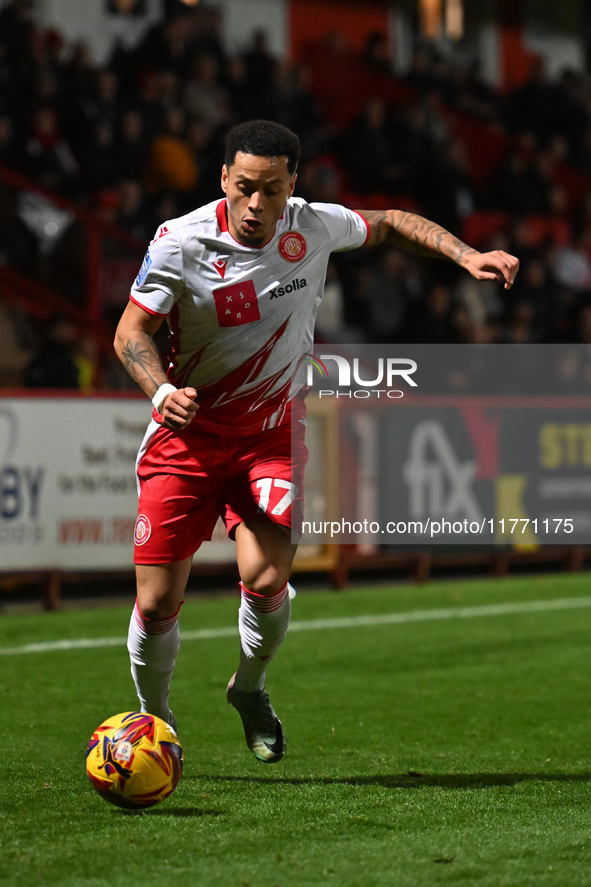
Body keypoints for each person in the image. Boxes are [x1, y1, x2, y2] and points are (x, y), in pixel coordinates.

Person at [114, 119, 519, 764]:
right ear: (223, 178)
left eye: (271, 191)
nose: (257, 205)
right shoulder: (178, 243)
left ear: (291, 186)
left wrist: (464, 255)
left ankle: (249, 688)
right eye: (244, 187)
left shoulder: (313, 225)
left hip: (271, 434)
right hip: (186, 438)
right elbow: (130, 334)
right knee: (157, 601)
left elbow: (387, 221)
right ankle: (156, 722)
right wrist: (161, 391)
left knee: (269, 579)